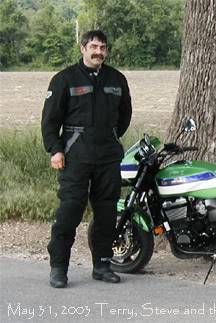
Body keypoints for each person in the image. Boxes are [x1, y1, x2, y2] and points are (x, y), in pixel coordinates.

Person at [41, 30, 132, 288]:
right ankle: (59, 268)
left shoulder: (117, 79)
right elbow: (49, 121)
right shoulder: (64, 79)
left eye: (102, 48)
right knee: (69, 212)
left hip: (107, 158)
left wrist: (110, 137)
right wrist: (55, 150)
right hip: (75, 159)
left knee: (105, 213)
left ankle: (103, 265)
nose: (98, 52)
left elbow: (124, 116)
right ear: (83, 48)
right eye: (93, 46)